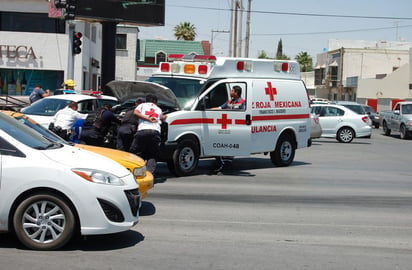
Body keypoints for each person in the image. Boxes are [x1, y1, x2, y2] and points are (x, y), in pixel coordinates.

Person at [211, 85, 245, 174]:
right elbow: (220, 108)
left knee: (231, 146)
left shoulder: (243, 102)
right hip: (228, 126)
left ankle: (227, 165)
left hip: (237, 127)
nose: (230, 92)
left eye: (232, 91)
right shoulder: (229, 102)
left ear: (236, 93)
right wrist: (209, 110)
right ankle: (224, 163)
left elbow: (244, 115)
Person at [133, 94, 167, 173]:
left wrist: (147, 118)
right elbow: (161, 118)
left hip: (143, 130)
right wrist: (165, 116)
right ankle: (149, 174)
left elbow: (135, 113)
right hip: (155, 132)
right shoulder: (158, 109)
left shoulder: (142, 105)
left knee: (137, 152)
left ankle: (136, 173)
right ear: (155, 101)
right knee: (152, 154)